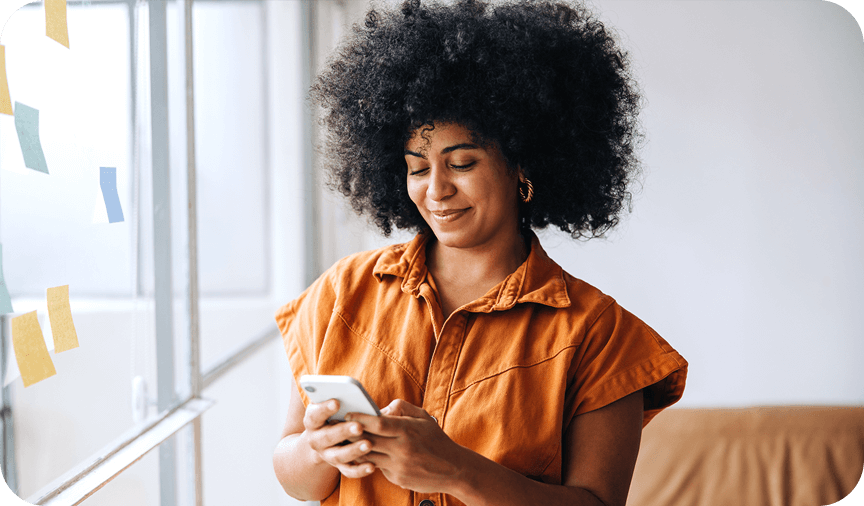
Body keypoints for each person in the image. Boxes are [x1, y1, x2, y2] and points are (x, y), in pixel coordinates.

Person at [272, 1, 688, 505]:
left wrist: (456, 471)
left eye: (462, 162)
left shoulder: (599, 335)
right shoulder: (343, 291)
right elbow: (293, 474)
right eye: (418, 169)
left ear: (522, 165)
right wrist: (319, 451)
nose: (437, 190)